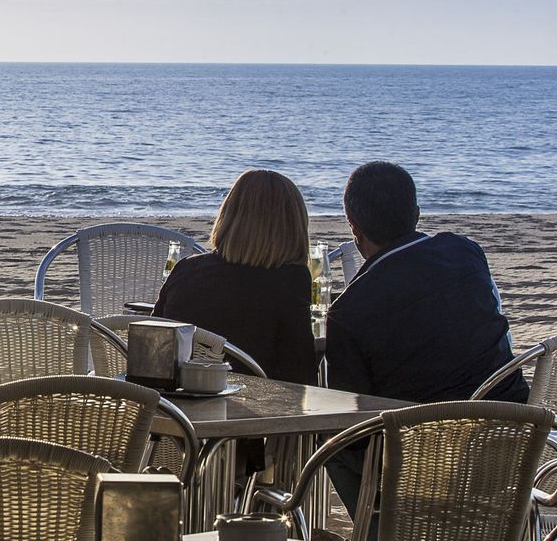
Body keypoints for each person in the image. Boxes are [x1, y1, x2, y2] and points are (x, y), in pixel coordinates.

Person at [323, 160, 528, 511]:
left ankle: (382, 535)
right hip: (510, 438)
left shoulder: (348, 310)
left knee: (331, 442)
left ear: (353, 227)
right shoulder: (465, 252)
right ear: (417, 214)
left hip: (423, 460)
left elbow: (353, 421)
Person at [154, 169, 317, 385]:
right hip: (256, 406)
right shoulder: (290, 279)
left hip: (176, 404)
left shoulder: (186, 269)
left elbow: (154, 338)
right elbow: (299, 372)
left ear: (228, 216)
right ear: (293, 227)